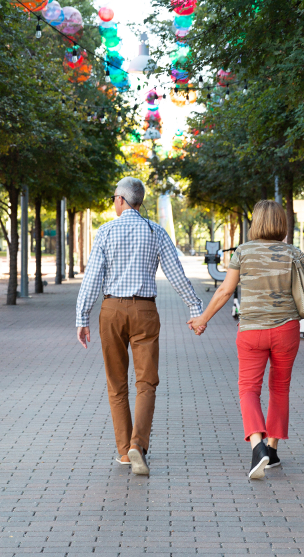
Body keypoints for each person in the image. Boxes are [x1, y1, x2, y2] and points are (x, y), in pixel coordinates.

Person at [75, 177, 204, 476]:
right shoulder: (155, 231)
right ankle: (138, 445)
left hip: (111, 310)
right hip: (145, 310)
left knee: (116, 383)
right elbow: (176, 274)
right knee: (146, 382)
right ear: (140, 202)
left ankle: (124, 452)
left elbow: (92, 278)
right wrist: (196, 309)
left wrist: (82, 318)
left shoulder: (105, 231)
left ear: (121, 200)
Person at [188, 200, 304, 479]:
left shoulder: (243, 252)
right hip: (286, 330)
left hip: (251, 331)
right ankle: (272, 450)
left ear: (256, 222)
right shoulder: (293, 252)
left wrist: (202, 320)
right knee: (280, 388)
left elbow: (226, 291)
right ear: (281, 223)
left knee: (249, 389)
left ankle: (257, 446)